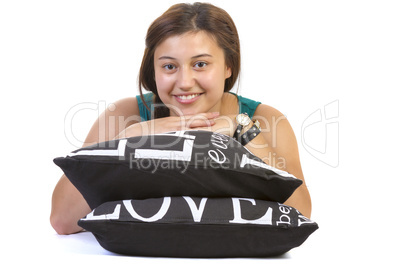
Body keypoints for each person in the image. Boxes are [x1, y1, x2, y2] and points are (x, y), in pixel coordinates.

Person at [50, 2, 312, 235]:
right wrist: (126, 140)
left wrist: (241, 129)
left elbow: (300, 212)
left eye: (200, 64)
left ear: (228, 66)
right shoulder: (125, 115)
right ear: (153, 70)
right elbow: (63, 220)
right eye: (169, 66)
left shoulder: (264, 118)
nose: (185, 83)